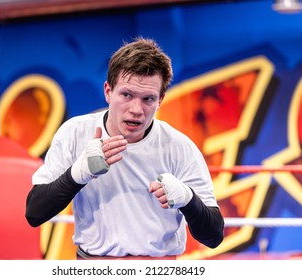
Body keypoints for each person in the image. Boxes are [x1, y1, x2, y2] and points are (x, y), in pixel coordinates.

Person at [25, 37, 224, 259]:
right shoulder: (75, 133)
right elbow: (34, 213)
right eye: (126, 95)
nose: (136, 109)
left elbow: (213, 236)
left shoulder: (178, 147)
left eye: (148, 99)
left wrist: (188, 200)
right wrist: (78, 174)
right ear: (108, 91)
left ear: (160, 100)